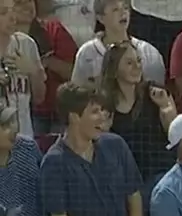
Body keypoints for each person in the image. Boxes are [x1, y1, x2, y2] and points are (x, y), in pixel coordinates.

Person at [40, 82, 148, 216]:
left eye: (103, 111)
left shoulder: (115, 145)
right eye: (95, 112)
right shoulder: (54, 162)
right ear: (74, 116)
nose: (102, 117)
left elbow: (134, 196)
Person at [99, 41, 178, 182]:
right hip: (124, 177)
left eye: (139, 61)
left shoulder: (155, 92)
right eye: (129, 63)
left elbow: (175, 134)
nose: (137, 67)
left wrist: (165, 107)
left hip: (161, 172)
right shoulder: (104, 103)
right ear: (114, 69)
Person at [14, 0, 76, 134]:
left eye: (29, 1)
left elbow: (74, 73)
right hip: (16, 113)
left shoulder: (54, 29)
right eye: (20, 3)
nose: (28, 6)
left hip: (54, 112)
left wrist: (47, 63)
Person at [72, 0, 166, 86]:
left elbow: (158, 93)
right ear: (101, 18)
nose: (123, 13)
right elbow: (78, 94)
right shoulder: (87, 53)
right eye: (115, 9)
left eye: (125, 8)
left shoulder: (149, 53)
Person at [0, 107, 46, 216]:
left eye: (13, 121)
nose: (13, 128)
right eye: (5, 126)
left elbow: (45, 194)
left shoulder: (27, 148)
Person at [0, 0, 46, 137]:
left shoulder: (27, 44)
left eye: (13, 10)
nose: (13, 17)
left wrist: (32, 71)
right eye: (3, 12)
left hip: (25, 140)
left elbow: (39, 98)